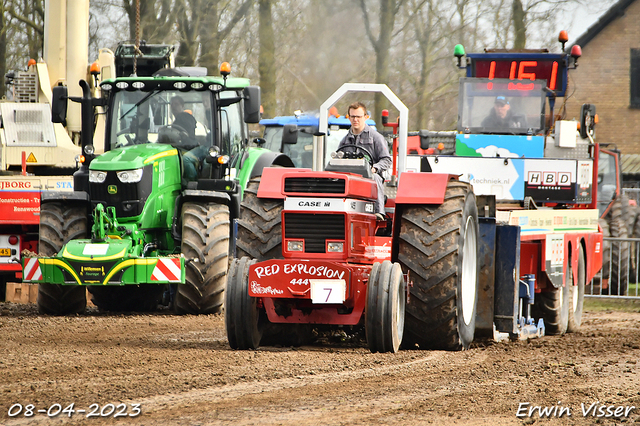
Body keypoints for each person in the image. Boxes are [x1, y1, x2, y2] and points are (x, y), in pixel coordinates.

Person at [337, 102, 392, 220]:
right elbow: (337, 160)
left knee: (375, 177)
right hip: (350, 177)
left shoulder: (376, 138)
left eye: (359, 116)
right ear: (349, 117)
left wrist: (375, 168)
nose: (355, 119)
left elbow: (386, 159)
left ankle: (378, 212)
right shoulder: (344, 141)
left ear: (366, 117)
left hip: (369, 176)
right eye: (352, 116)